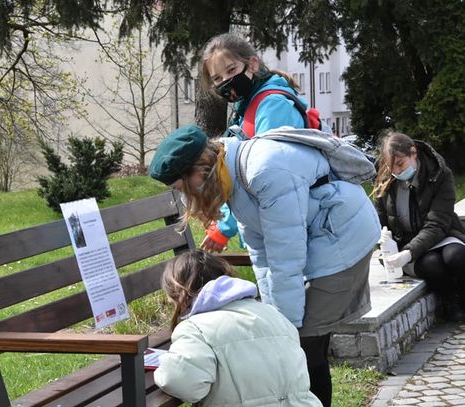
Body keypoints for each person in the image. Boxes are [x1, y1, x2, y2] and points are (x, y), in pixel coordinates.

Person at [149, 124, 380, 406]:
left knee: (304, 345)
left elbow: (286, 259)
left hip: (343, 237)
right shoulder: (230, 176)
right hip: (320, 237)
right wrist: (271, 316)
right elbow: (260, 253)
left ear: (198, 170)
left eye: (180, 188)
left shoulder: (263, 171)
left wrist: (283, 327)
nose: (185, 198)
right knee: (300, 340)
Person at [198, 33, 332, 253]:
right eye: (217, 79)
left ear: (252, 63)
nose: (226, 82)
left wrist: (225, 227)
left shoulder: (273, 107)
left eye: (231, 70)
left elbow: (265, 177)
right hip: (282, 226)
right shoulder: (246, 108)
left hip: (305, 230)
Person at [154, 249, 323, 407]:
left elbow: (181, 383)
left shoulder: (195, 329)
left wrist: (165, 364)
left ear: (178, 293)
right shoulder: (271, 313)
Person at [373, 130, 465, 321]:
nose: (397, 172)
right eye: (392, 168)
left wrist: (409, 252)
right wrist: (382, 240)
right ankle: (449, 301)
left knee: (456, 256)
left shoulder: (440, 174)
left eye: (400, 164)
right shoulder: (384, 182)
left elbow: (438, 223)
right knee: (432, 264)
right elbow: (379, 222)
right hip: (404, 244)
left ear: (413, 153)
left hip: (442, 235)